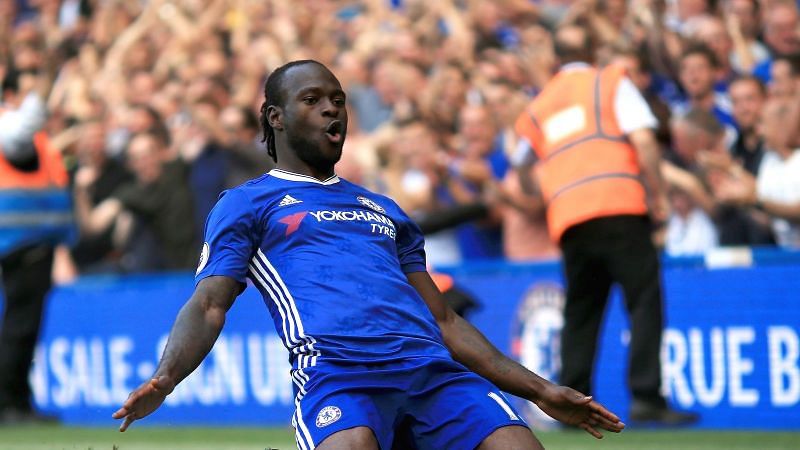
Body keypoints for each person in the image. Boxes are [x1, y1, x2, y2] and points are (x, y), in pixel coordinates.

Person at [112, 60, 625, 449]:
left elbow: (443, 319)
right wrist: (166, 377)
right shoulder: (247, 202)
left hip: (430, 371)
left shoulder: (382, 207)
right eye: (313, 99)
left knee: (517, 444)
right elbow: (208, 305)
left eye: (337, 99)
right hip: (338, 375)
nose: (332, 107)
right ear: (277, 117)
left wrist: (539, 391)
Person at [513, 25, 698, 425]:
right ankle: (647, 398)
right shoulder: (610, 81)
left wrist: (547, 194)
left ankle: (572, 403)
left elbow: (520, 162)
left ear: (555, 59)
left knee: (582, 312)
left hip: (571, 220)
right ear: (594, 52)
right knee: (644, 302)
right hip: (620, 207)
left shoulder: (540, 104)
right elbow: (645, 140)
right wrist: (660, 195)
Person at [0, 68, 72, 423]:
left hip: (31, 242)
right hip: (22, 243)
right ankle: (10, 404)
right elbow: (23, 128)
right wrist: (43, 89)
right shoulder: (10, 127)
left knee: (23, 327)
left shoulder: (33, 138)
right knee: (20, 327)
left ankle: (17, 401)